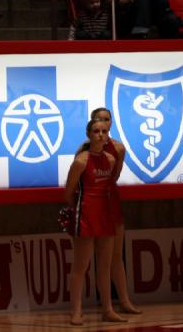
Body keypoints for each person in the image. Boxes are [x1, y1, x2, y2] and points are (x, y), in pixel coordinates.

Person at [75, 107, 140, 315]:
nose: (104, 123)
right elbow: (76, 180)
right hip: (90, 205)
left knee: (116, 255)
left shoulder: (118, 149)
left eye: (107, 119)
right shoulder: (83, 150)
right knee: (89, 259)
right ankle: (99, 306)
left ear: (111, 122)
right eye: (99, 120)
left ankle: (124, 300)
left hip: (111, 201)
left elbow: (114, 176)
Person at [65, 118, 126, 326]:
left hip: (105, 215)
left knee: (105, 265)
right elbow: (68, 192)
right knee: (81, 266)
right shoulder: (81, 160)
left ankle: (108, 309)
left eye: (104, 131)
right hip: (85, 215)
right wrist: (79, 213)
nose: (101, 134)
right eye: (96, 131)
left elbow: (111, 184)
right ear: (89, 134)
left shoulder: (110, 159)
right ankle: (76, 311)